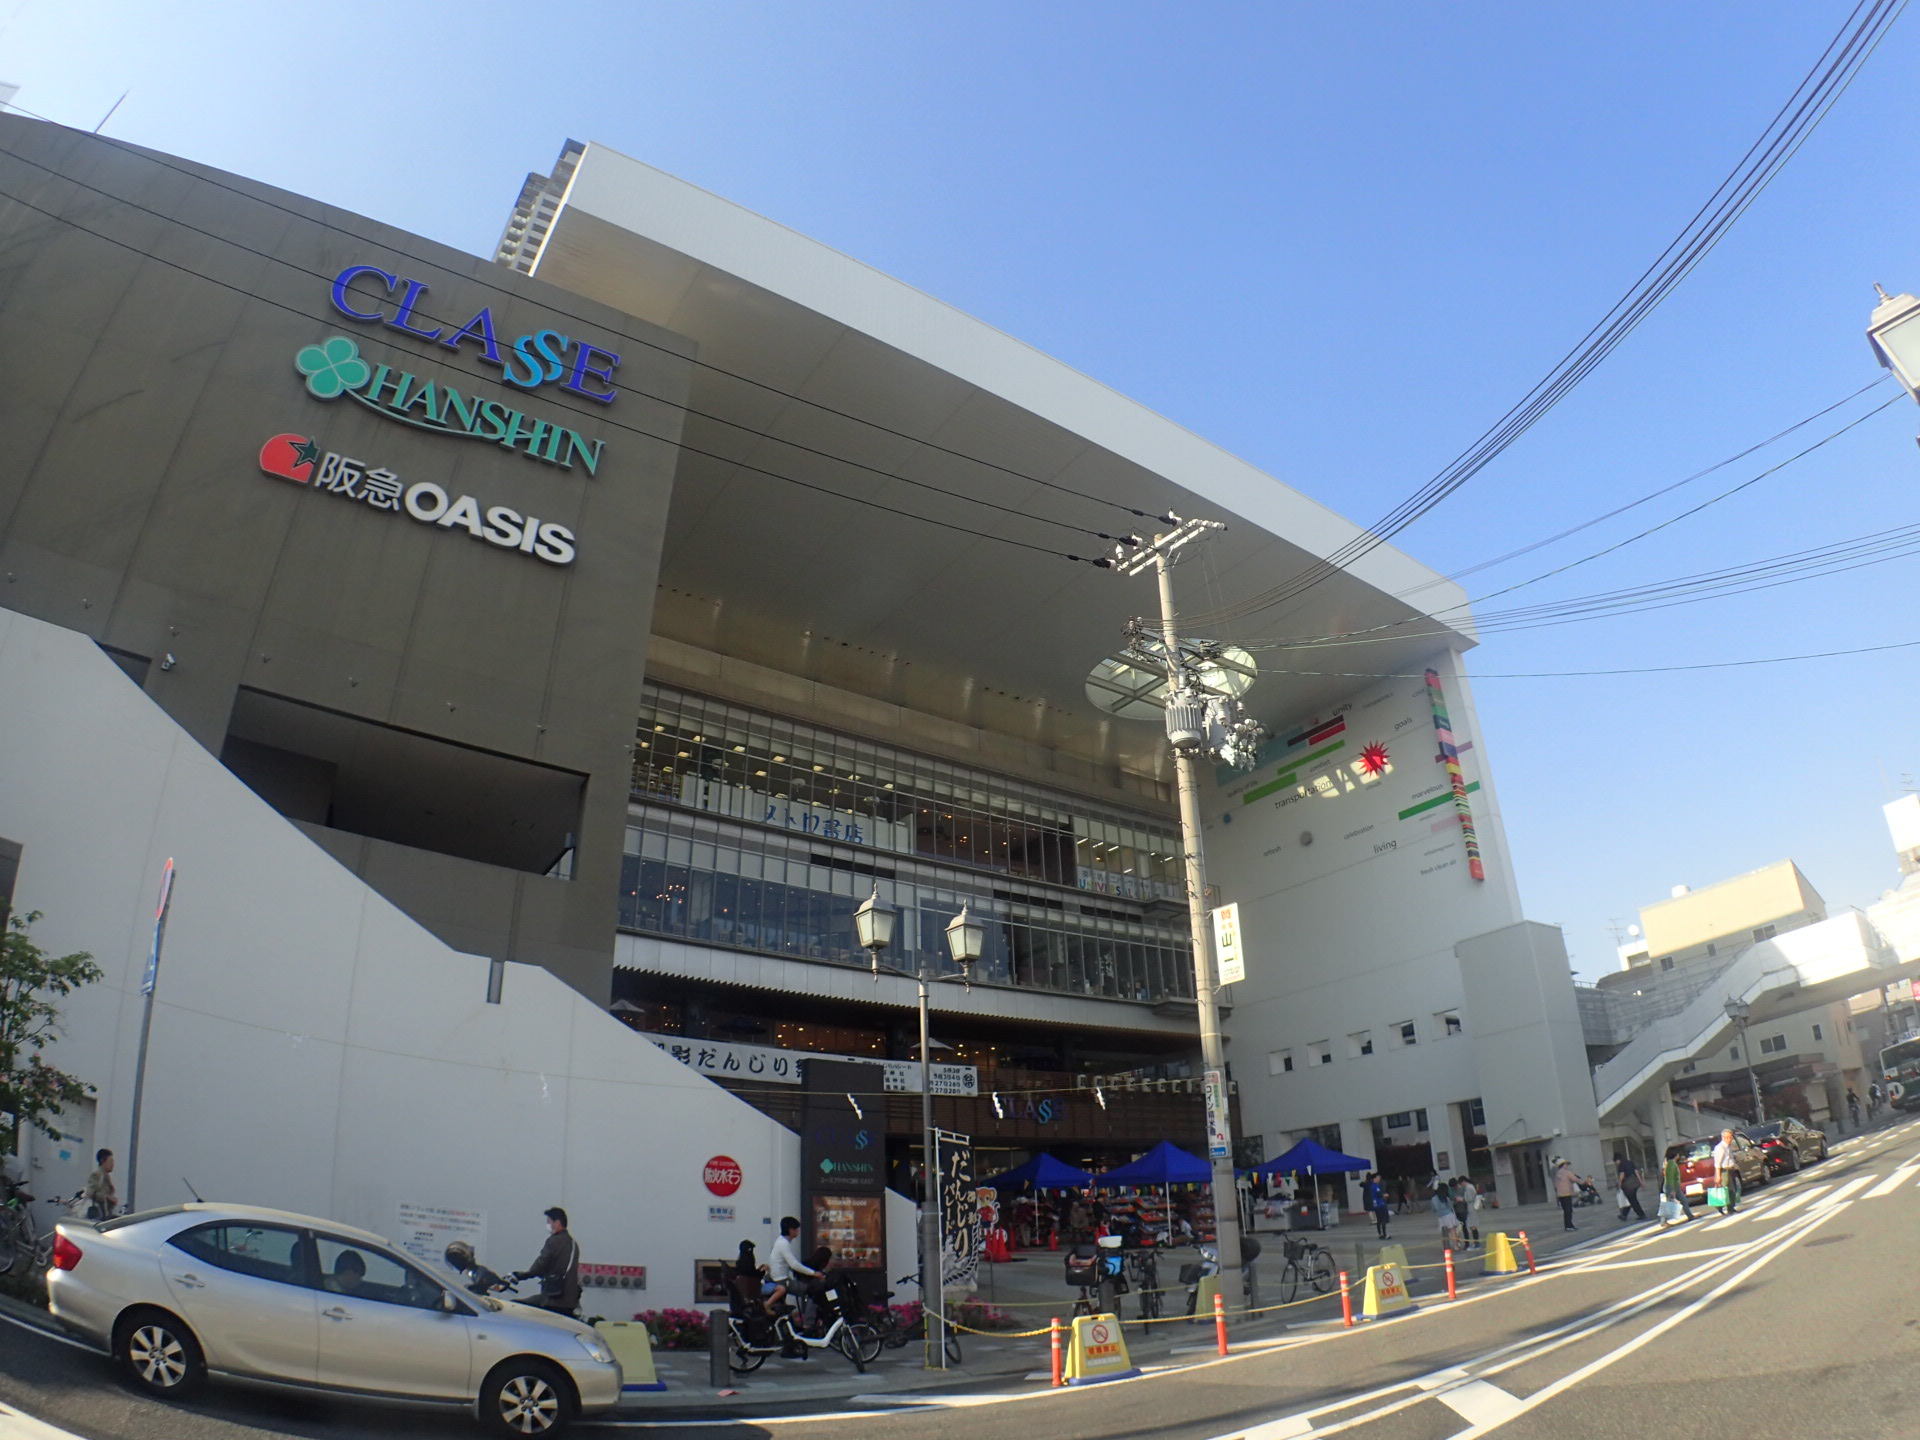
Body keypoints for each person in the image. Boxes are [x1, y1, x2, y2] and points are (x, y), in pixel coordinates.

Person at [514, 1206, 582, 1314]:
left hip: (554, 1299)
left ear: (557, 1222)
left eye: (549, 1222)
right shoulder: (573, 1244)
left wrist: (522, 1275)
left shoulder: (554, 1241)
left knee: (516, 1306)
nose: (548, 1225)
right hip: (570, 1299)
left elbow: (541, 1263)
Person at [765, 1215, 821, 1322]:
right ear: (791, 1230)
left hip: (775, 1277)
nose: (798, 1232)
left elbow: (786, 1263)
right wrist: (813, 1273)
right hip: (782, 1280)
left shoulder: (780, 1241)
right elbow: (793, 1264)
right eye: (796, 1229)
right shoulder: (784, 1244)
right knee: (812, 1291)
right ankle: (808, 1322)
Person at [1659, 1143, 1694, 1226]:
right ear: (1675, 1155)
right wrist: (1672, 1190)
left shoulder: (1671, 1163)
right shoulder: (1671, 1164)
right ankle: (1663, 1221)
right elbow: (1670, 1177)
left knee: (1681, 1201)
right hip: (1671, 1186)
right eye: (1678, 1153)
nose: (1679, 1155)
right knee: (1670, 1203)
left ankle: (1690, 1215)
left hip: (1674, 1186)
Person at [1710, 1128, 1739, 1215]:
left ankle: (1731, 1208)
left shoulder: (1728, 1146)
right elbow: (1717, 1163)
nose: (1729, 1139)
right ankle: (1719, 1206)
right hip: (1724, 1171)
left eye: (1730, 1137)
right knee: (1724, 1190)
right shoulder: (1720, 1148)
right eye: (1727, 1137)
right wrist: (1718, 1176)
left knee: (1732, 1189)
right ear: (1723, 1138)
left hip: (1730, 1170)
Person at [84, 1148, 117, 1221]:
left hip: (105, 1214)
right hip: (98, 1216)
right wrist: (108, 1197)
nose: (113, 1164)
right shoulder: (97, 1175)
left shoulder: (106, 1176)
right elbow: (91, 1193)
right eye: (110, 1161)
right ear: (102, 1161)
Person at [1614, 1150, 1646, 1222]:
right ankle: (1624, 1215)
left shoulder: (1621, 1165)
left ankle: (1641, 1214)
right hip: (1634, 1183)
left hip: (1627, 1185)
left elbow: (1622, 1175)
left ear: (1617, 1160)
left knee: (1632, 1200)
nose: (1616, 1163)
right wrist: (1641, 1181)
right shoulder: (1630, 1162)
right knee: (1631, 1199)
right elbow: (1636, 1172)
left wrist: (1619, 1184)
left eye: (1616, 1161)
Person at [1430, 1180, 1459, 1250]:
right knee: (1453, 1231)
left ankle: (1445, 1247)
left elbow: (1433, 1209)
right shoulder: (1445, 1197)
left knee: (1444, 1233)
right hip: (1449, 1214)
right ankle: (1456, 1246)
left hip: (1441, 1216)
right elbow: (1450, 1206)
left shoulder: (1433, 1198)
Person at [1552, 1157, 1578, 1231]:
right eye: (1566, 1164)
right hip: (1567, 1193)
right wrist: (1583, 1182)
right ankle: (1569, 1225)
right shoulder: (1567, 1172)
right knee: (1569, 1210)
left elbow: (1555, 1184)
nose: (1567, 1166)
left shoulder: (1557, 1173)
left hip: (1560, 1194)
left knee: (1565, 1210)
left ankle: (1567, 1225)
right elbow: (1574, 1179)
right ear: (1563, 1165)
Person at [1364, 1172, 1390, 1239]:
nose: (1379, 1179)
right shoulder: (1375, 1186)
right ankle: (1384, 1234)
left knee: (1379, 1220)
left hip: (1376, 1205)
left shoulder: (1371, 1186)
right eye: (1378, 1178)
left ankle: (1380, 1234)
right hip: (1380, 1204)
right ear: (1374, 1178)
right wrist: (1385, 1195)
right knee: (1383, 1219)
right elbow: (1379, 1194)